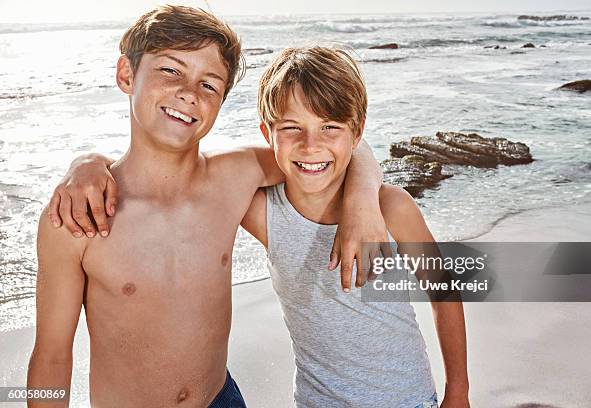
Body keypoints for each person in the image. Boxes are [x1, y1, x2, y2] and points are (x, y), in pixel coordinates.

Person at [28, 6, 386, 408]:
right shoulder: (78, 216)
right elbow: (51, 356)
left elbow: (342, 147)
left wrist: (362, 204)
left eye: (209, 85)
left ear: (221, 102)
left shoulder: (234, 177)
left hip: (223, 399)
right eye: (170, 71)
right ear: (126, 74)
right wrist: (86, 162)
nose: (188, 93)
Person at [238, 46, 470, 407]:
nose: (310, 144)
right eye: (291, 127)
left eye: (329, 127)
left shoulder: (392, 208)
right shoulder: (262, 211)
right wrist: (112, 165)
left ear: (357, 131)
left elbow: (442, 289)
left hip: (406, 399)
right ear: (267, 132)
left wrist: (458, 392)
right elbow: (184, 177)